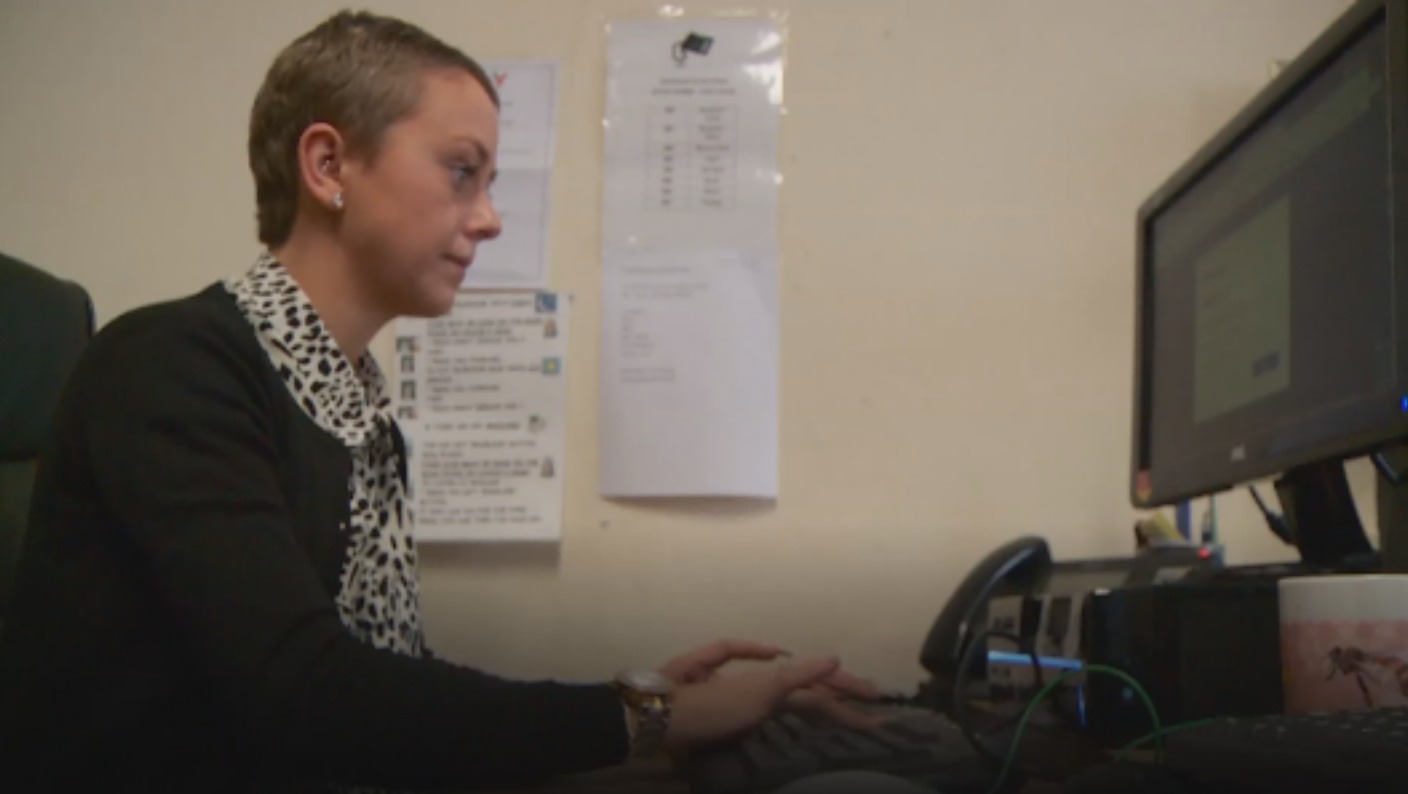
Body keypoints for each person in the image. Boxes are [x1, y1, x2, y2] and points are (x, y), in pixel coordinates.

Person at [0, 10, 882, 793]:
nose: (490, 217)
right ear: (328, 164)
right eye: (463, 172)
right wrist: (651, 719)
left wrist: (642, 700)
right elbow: (306, 694)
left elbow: (386, 690)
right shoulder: (171, 367)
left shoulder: (358, 407)